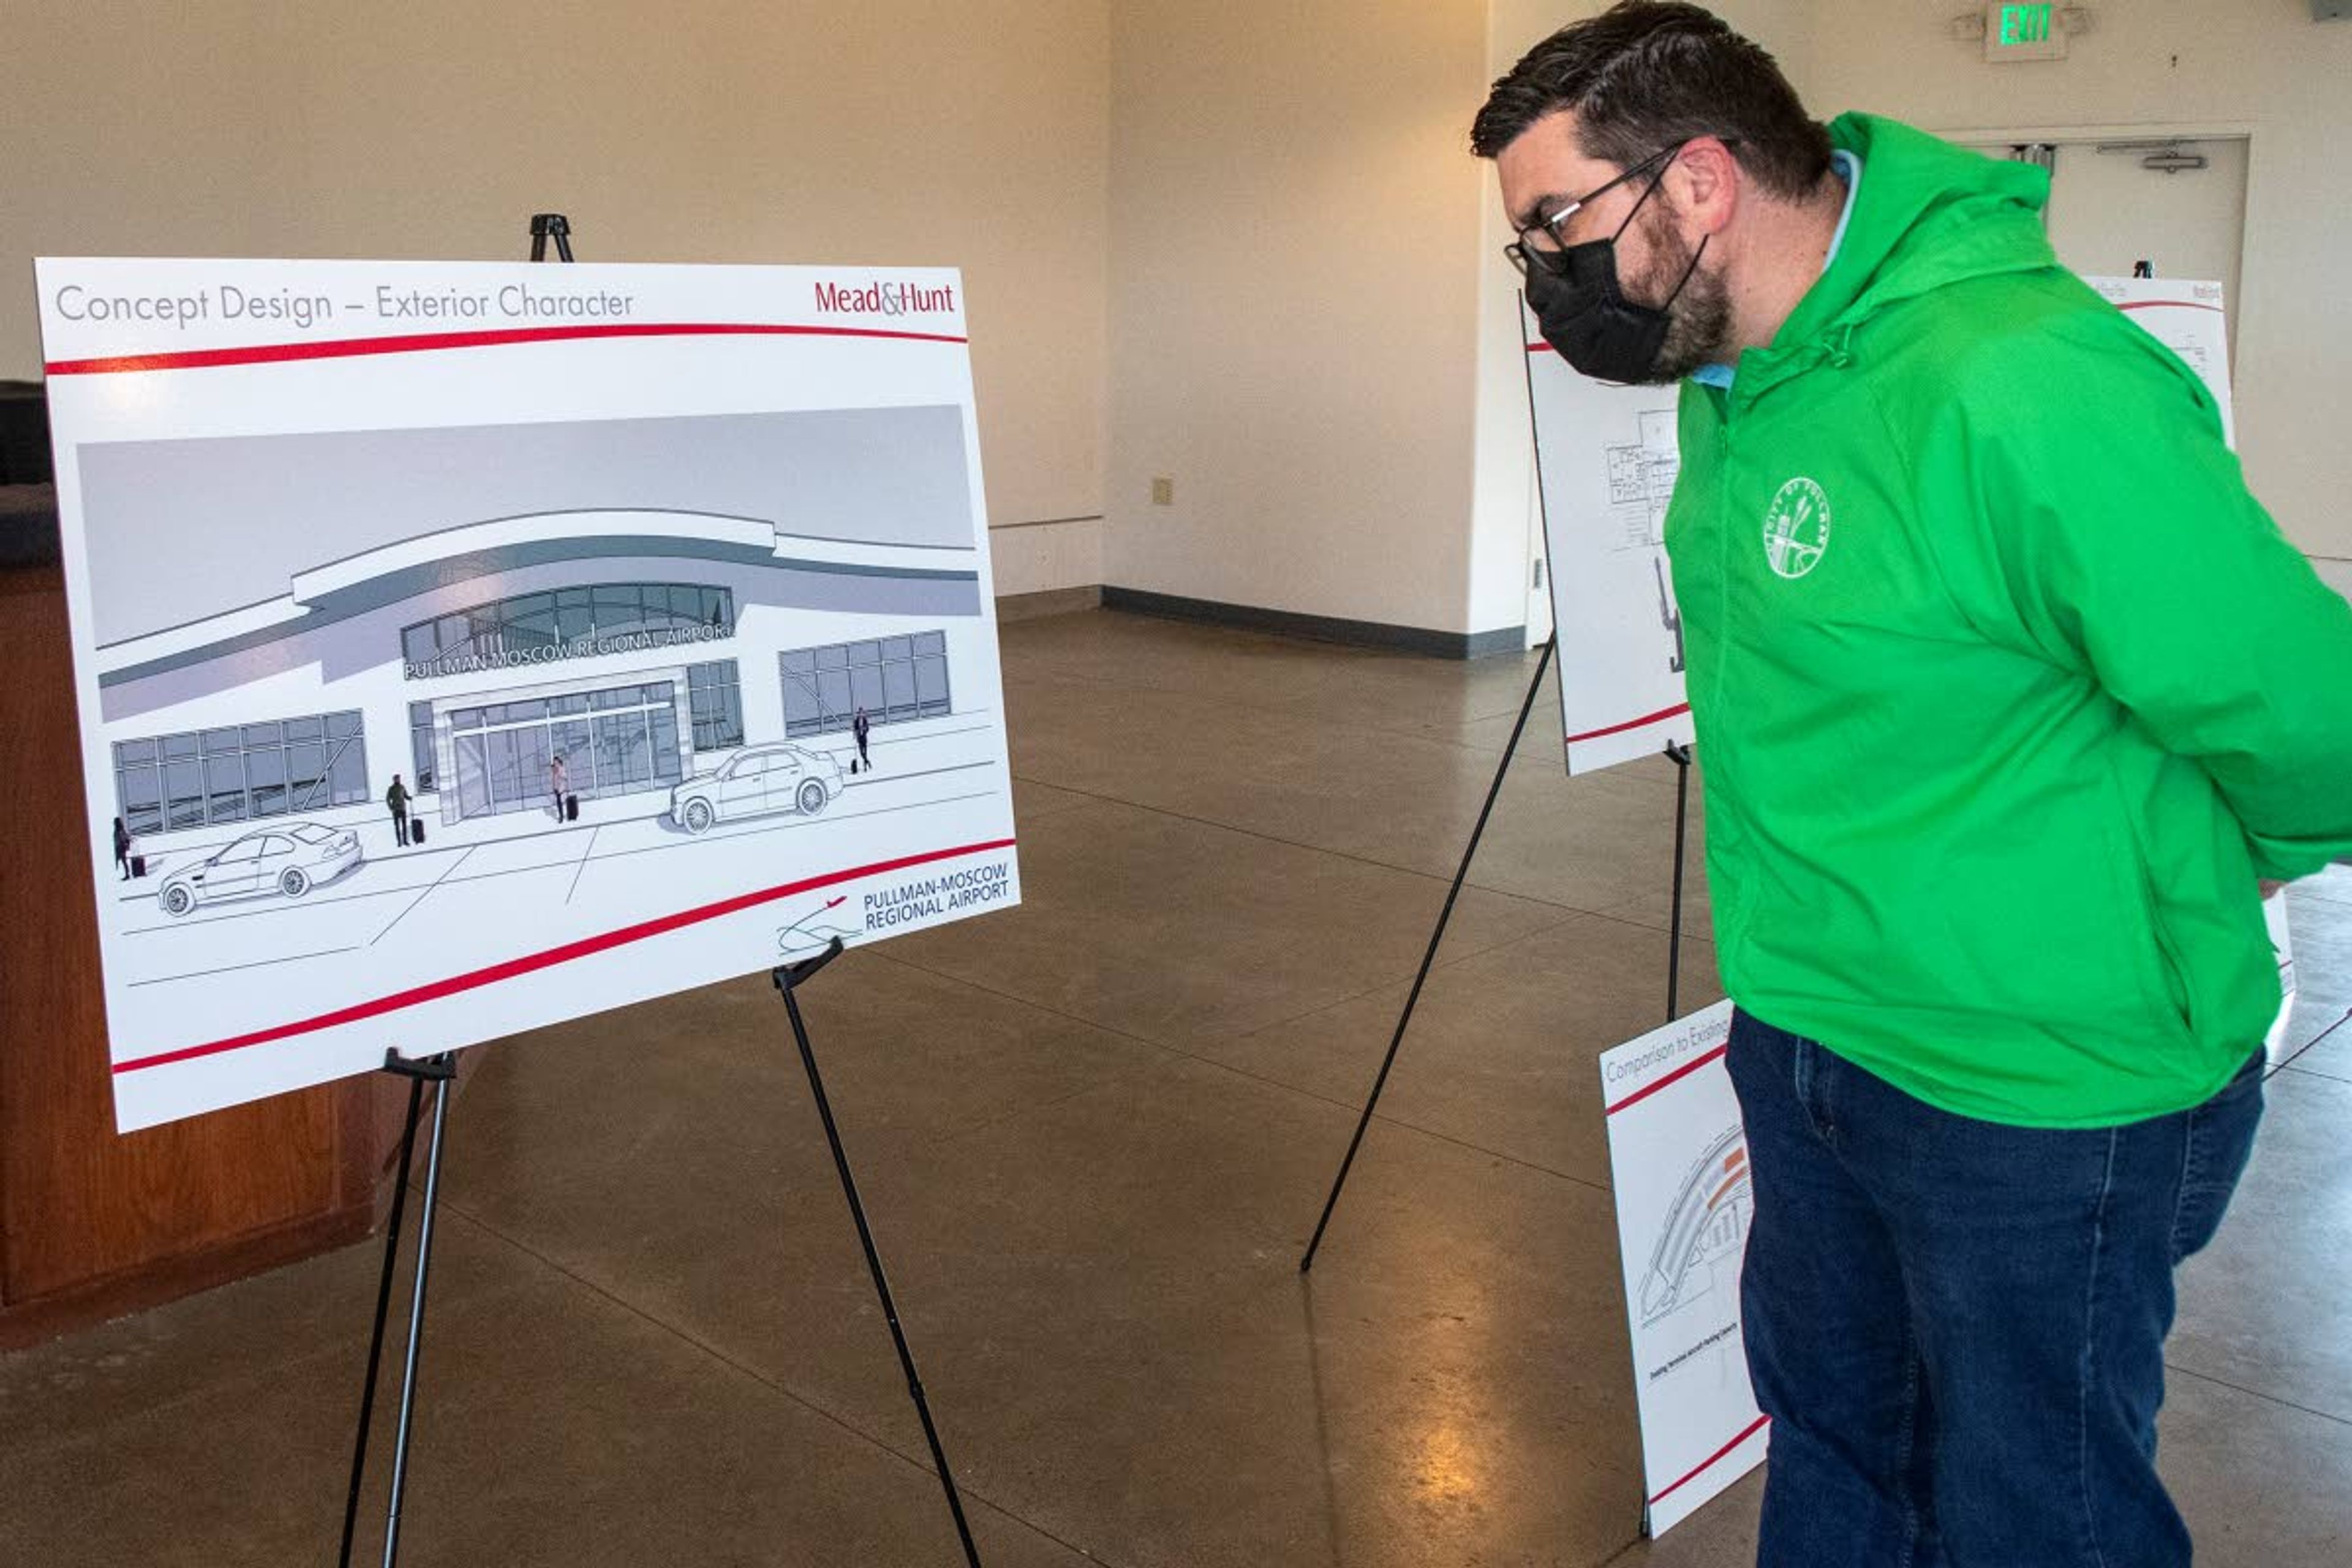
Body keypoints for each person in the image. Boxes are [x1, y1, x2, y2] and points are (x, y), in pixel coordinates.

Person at [1472, 7, 2352, 1566]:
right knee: (1837, 1455)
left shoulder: (2021, 378)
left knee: (2032, 1509)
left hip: (2033, 1090)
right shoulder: (1742, 377)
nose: (1548, 276)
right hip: (1806, 1035)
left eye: (1557, 227)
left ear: (1694, 184)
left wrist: (2218, 870)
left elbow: (2306, 707)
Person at [385, 774, 411, 847]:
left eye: (399, 779)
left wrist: (409, 798)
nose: (398, 780)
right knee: (397, 827)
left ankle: (405, 841)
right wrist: (391, 808)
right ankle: (399, 842)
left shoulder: (402, 787)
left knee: (404, 826)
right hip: (396, 810)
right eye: (396, 779)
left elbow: (405, 796)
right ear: (394, 780)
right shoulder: (391, 789)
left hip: (403, 809)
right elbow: (387, 799)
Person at [112, 816, 132, 880]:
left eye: (115, 822)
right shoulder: (119, 829)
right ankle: (127, 874)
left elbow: (123, 837)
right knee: (123, 861)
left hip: (121, 847)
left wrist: (126, 843)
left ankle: (127, 875)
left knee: (124, 861)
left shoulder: (119, 830)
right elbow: (125, 836)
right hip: (120, 847)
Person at [852, 706, 872, 772]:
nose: (861, 714)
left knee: (865, 753)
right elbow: (855, 729)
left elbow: (868, 728)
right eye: (860, 713)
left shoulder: (865, 720)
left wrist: (864, 729)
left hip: (864, 738)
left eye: (862, 713)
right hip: (859, 738)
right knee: (861, 753)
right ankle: (867, 761)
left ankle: (865, 767)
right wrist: (855, 734)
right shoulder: (856, 721)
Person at [551, 753, 568, 819]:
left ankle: (563, 815)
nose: (555, 763)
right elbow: (553, 779)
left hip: (561, 787)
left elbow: (565, 777)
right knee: (559, 802)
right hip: (556, 787)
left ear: (558, 762)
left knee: (562, 801)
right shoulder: (554, 770)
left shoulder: (561, 768)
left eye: (556, 762)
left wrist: (559, 773)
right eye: (554, 762)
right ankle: (561, 815)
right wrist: (554, 787)